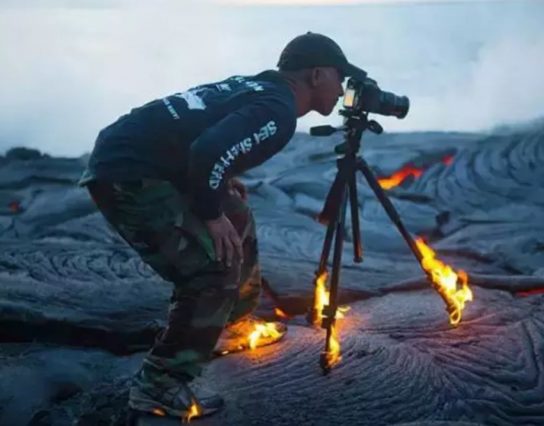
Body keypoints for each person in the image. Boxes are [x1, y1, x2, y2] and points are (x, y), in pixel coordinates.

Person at [78, 32, 366, 420]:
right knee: (211, 269)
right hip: (129, 173)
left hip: (144, 158)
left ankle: (229, 324)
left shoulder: (261, 86)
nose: (343, 86)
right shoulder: (278, 110)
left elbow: (204, 132)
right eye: (339, 75)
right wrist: (210, 214)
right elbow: (207, 149)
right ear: (316, 75)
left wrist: (219, 180)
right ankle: (159, 384)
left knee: (238, 216)